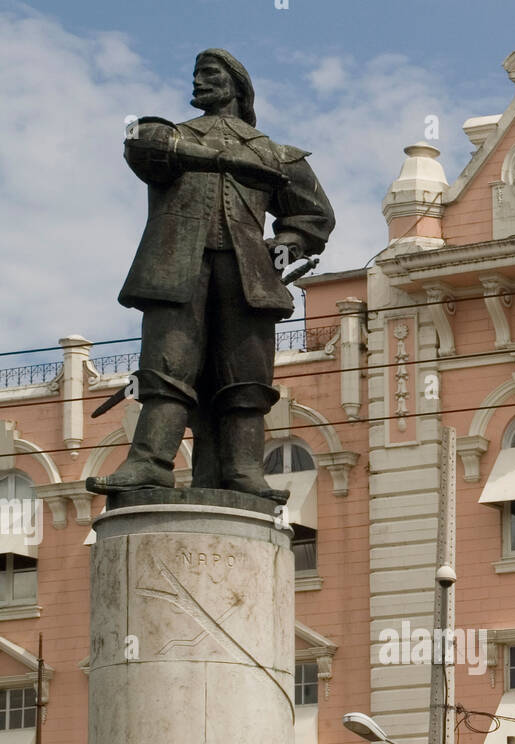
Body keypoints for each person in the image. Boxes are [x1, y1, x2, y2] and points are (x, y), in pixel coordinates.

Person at [88, 48, 334, 500]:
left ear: (237, 85)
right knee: (166, 367)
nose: (198, 82)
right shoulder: (170, 139)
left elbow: (313, 217)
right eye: (196, 75)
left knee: (247, 377)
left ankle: (243, 470)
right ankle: (149, 464)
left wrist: (278, 254)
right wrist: (221, 160)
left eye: (209, 74)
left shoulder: (276, 155)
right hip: (175, 269)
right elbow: (141, 143)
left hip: (247, 278)